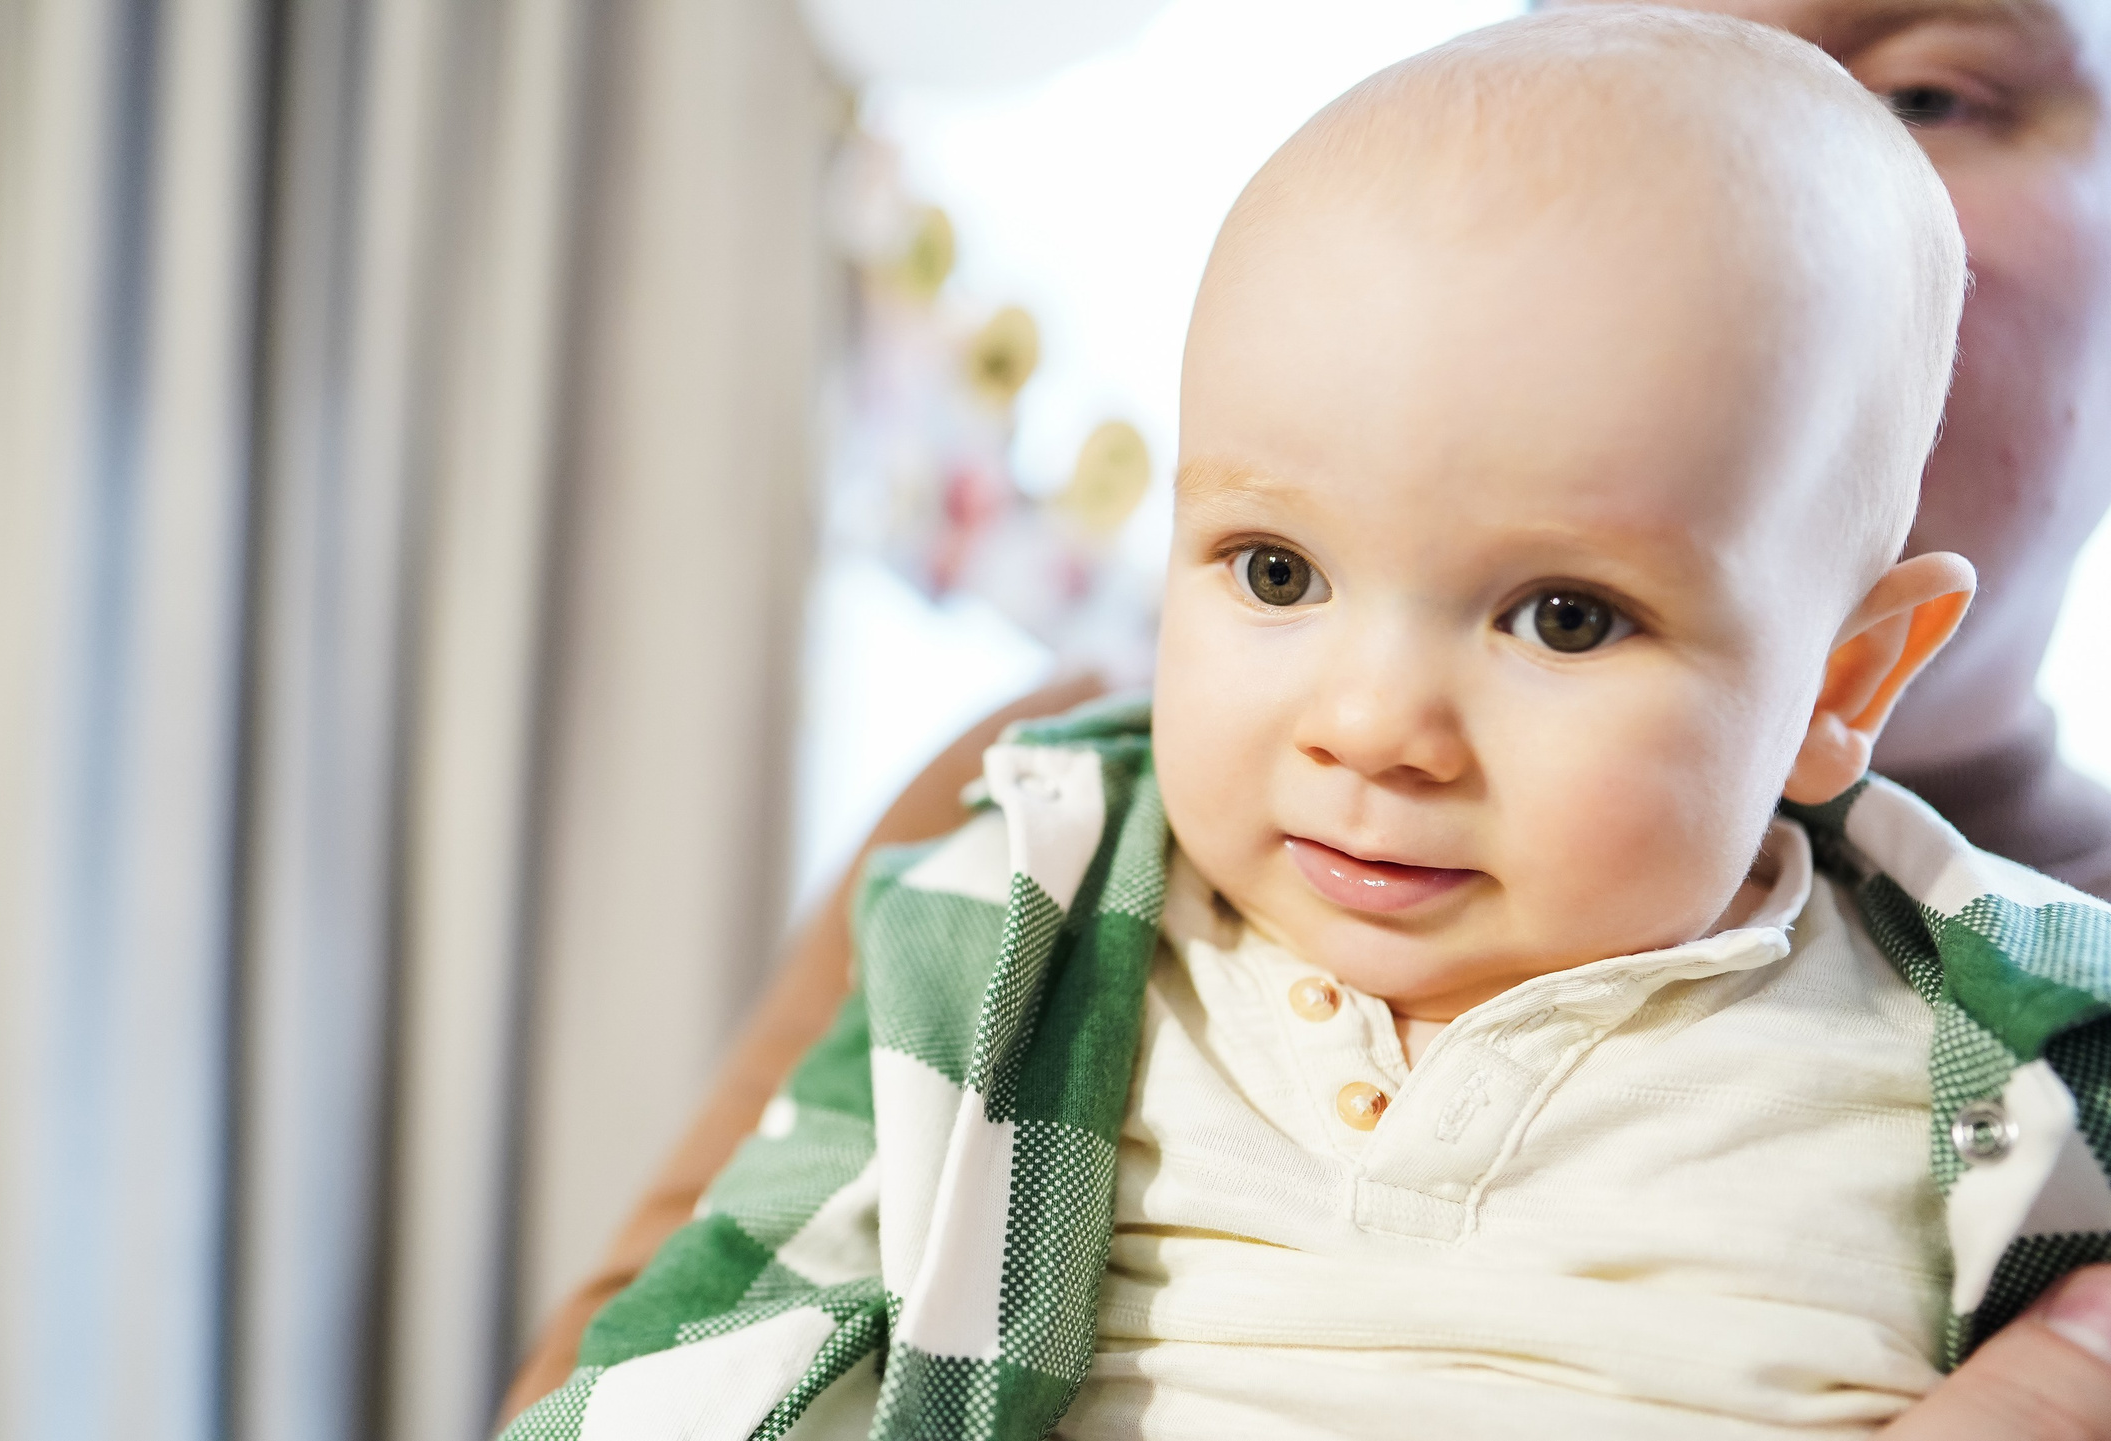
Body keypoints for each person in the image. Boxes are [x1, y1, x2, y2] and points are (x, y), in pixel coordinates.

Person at [503, 0, 2111, 1432]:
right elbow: (666, 1371)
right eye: (1276, 569)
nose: (1373, 725)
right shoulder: (1024, 884)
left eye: (1565, 614)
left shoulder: (2026, 1064)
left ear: (1847, 681)